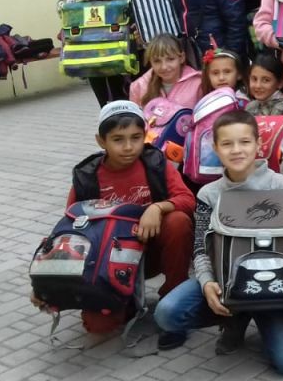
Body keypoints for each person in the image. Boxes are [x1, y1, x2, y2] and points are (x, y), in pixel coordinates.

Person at [153, 111, 283, 372]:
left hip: (277, 287)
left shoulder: (282, 185)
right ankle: (235, 316)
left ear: (259, 144)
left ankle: (253, 315)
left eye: (245, 142)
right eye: (227, 143)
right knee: (167, 313)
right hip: (225, 284)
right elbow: (200, 246)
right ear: (215, 148)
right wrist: (207, 283)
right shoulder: (209, 194)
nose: (236, 150)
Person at [31, 101, 195, 349]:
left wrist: (157, 207)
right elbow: (70, 231)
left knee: (178, 221)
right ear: (101, 141)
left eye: (136, 138)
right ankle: (124, 298)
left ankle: (173, 299)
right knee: (97, 326)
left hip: (153, 253)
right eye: (118, 139)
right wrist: (45, 286)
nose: (128, 147)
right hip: (109, 264)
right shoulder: (87, 176)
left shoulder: (154, 163)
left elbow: (187, 199)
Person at [130, 34, 202, 109]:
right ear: (150, 62)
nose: (164, 67)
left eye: (170, 59)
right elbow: (134, 116)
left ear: (181, 58)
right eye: (157, 61)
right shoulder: (138, 87)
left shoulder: (199, 84)